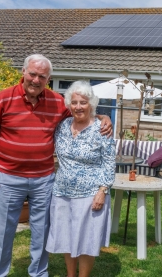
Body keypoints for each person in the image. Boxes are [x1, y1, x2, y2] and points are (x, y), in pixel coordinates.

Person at [0, 54, 112, 277]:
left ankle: (39, 273)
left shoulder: (57, 102)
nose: (36, 80)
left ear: (48, 78)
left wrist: (102, 116)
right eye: (32, 74)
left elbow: (81, 112)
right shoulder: (2, 99)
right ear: (23, 72)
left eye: (42, 76)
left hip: (44, 180)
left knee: (41, 232)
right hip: (10, 178)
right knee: (3, 232)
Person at [46, 80, 115, 277]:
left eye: (83, 102)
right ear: (69, 105)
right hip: (62, 192)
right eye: (74, 102)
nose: (78, 107)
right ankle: (70, 274)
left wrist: (103, 191)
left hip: (90, 194)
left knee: (86, 240)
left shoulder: (102, 130)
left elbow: (109, 163)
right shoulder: (62, 126)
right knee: (67, 237)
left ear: (91, 104)